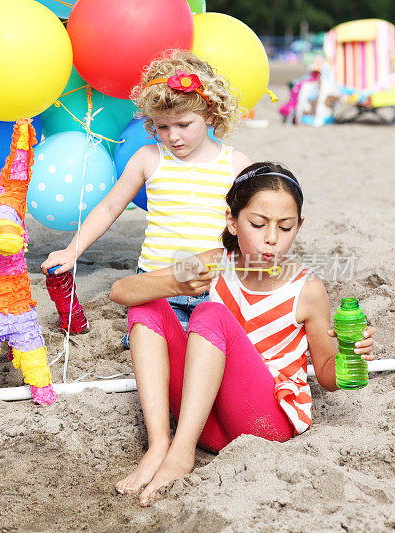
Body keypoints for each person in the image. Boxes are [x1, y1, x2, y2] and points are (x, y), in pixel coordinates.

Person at [109, 162, 376, 506]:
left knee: (210, 313)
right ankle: (160, 443)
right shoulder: (217, 262)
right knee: (147, 303)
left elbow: (324, 374)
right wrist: (175, 282)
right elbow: (120, 291)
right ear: (232, 222)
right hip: (207, 420)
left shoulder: (306, 287)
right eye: (257, 224)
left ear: (299, 226)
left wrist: (350, 356)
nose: (271, 239)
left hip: (264, 423)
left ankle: (181, 453)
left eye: (285, 227)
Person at [41, 51, 251, 347]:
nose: (173, 137)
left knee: (216, 346)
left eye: (183, 125)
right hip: (156, 284)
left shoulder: (235, 163)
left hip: (216, 285)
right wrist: (71, 251)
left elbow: (253, 223)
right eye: (162, 127)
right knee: (161, 343)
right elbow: (110, 207)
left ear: (209, 115)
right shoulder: (148, 159)